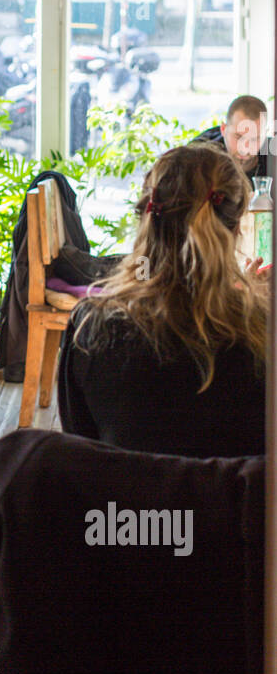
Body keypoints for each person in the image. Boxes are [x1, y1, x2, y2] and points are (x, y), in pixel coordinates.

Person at [58, 144, 267, 458]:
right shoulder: (261, 333)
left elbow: (85, 451)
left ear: (147, 217)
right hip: (229, 508)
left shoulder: (91, 327)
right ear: (237, 228)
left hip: (124, 507)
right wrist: (255, 301)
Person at [193, 94, 269, 183]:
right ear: (223, 129)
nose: (244, 148)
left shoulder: (272, 158)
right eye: (239, 137)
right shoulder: (197, 157)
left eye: (254, 139)